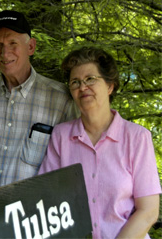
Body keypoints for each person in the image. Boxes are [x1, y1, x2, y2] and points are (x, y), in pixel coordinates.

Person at [38, 47, 161, 238]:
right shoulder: (61, 136)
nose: (82, 87)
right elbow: (48, 198)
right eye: (75, 82)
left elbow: (148, 212)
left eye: (90, 79)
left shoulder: (137, 137)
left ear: (110, 86)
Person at [0, 10, 78, 189]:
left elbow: (73, 167)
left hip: (33, 213)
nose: (5, 53)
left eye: (13, 43)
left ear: (31, 47)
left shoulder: (61, 100)